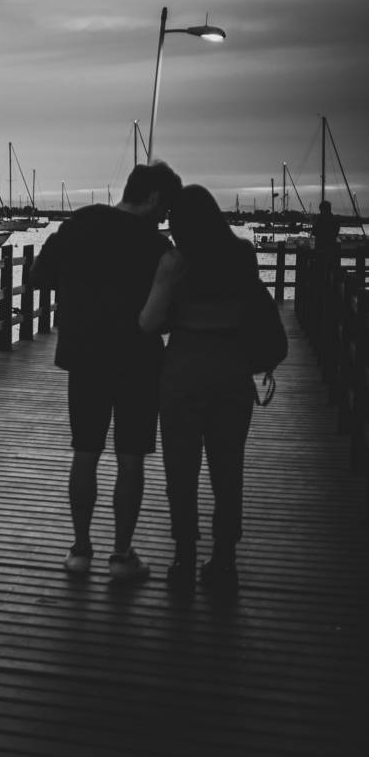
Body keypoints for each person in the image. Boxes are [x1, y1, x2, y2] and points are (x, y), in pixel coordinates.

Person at [32, 160, 182, 582]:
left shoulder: (81, 223)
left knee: (85, 452)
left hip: (85, 356)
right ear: (152, 197)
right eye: (165, 206)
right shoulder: (157, 248)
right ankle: (121, 556)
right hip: (138, 360)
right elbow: (168, 314)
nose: (166, 215)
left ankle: (80, 550)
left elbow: (38, 278)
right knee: (130, 458)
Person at [139, 184, 263, 595]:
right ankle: (225, 558)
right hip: (232, 376)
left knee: (182, 471)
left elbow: (149, 323)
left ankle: (184, 557)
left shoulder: (176, 262)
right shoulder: (243, 255)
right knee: (228, 471)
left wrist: (161, 281)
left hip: (183, 377)